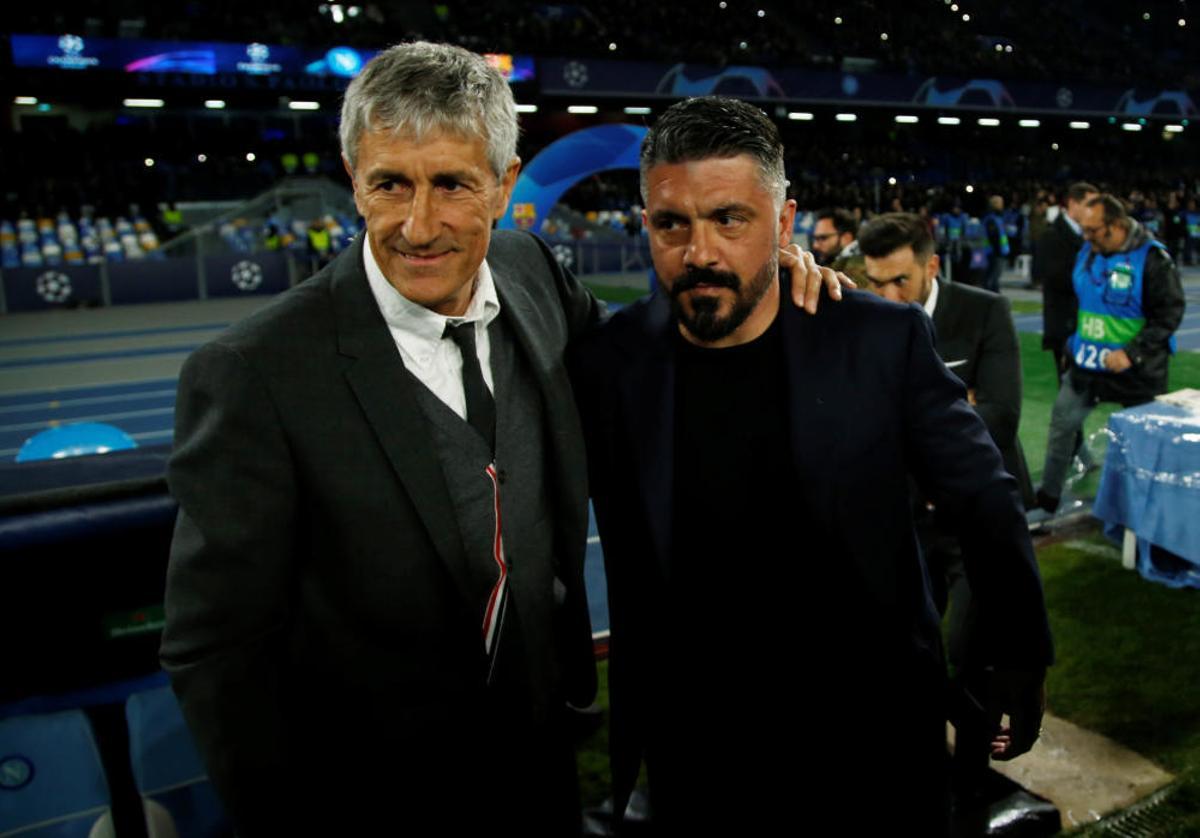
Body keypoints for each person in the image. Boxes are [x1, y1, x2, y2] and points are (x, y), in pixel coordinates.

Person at [161, 42, 843, 835]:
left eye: (452, 184)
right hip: (374, 792)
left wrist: (760, 276)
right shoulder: (255, 371)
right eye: (390, 183)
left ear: (504, 184)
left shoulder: (530, 272)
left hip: (539, 749)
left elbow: (646, 356)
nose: (419, 225)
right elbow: (215, 648)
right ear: (353, 179)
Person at [571, 96, 1053, 835]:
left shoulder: (878, 340)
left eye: (730, 219)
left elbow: (984, 498)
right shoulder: (609, 362)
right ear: (646, 225)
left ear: (784, 223)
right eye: (673, 224)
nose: (700, 252)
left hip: (870, 735)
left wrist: (1018, 651)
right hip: (695, 746)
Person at [859, 212, 1036, 815]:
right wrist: (951, 410)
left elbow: (1000, 417)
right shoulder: (868, 317)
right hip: (909, 518)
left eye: (900, 281)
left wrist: (905, 426)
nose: (888, 296)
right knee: (909, 659)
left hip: (973, 521)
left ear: (931, 266)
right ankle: (924, 771)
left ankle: (971, 781)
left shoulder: (983, 311)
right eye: (876, 282)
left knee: (969, 654)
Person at [1036, 194, 1186, 513]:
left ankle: (1143, 509)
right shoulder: (1088, 252)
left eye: (1093, 230)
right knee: (1062, 426)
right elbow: (1085, 300)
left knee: (1143, 442)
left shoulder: (1153, 259)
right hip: (1086, 365)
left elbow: (1170, 313)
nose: (1086, 237)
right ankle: (1047, 499)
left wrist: (1132, 353)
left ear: (1116, 225)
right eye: (1084, 230)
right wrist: (1071, 344)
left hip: (1137, 371)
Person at [1035, 182, 1100, 378]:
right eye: (1089, 204)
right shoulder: (1051, 235)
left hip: (1088, 324)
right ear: (1073, 203)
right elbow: (1055, 278)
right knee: (1070, 386)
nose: (1093, 210)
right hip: (1066, 324)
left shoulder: (1089, 235)